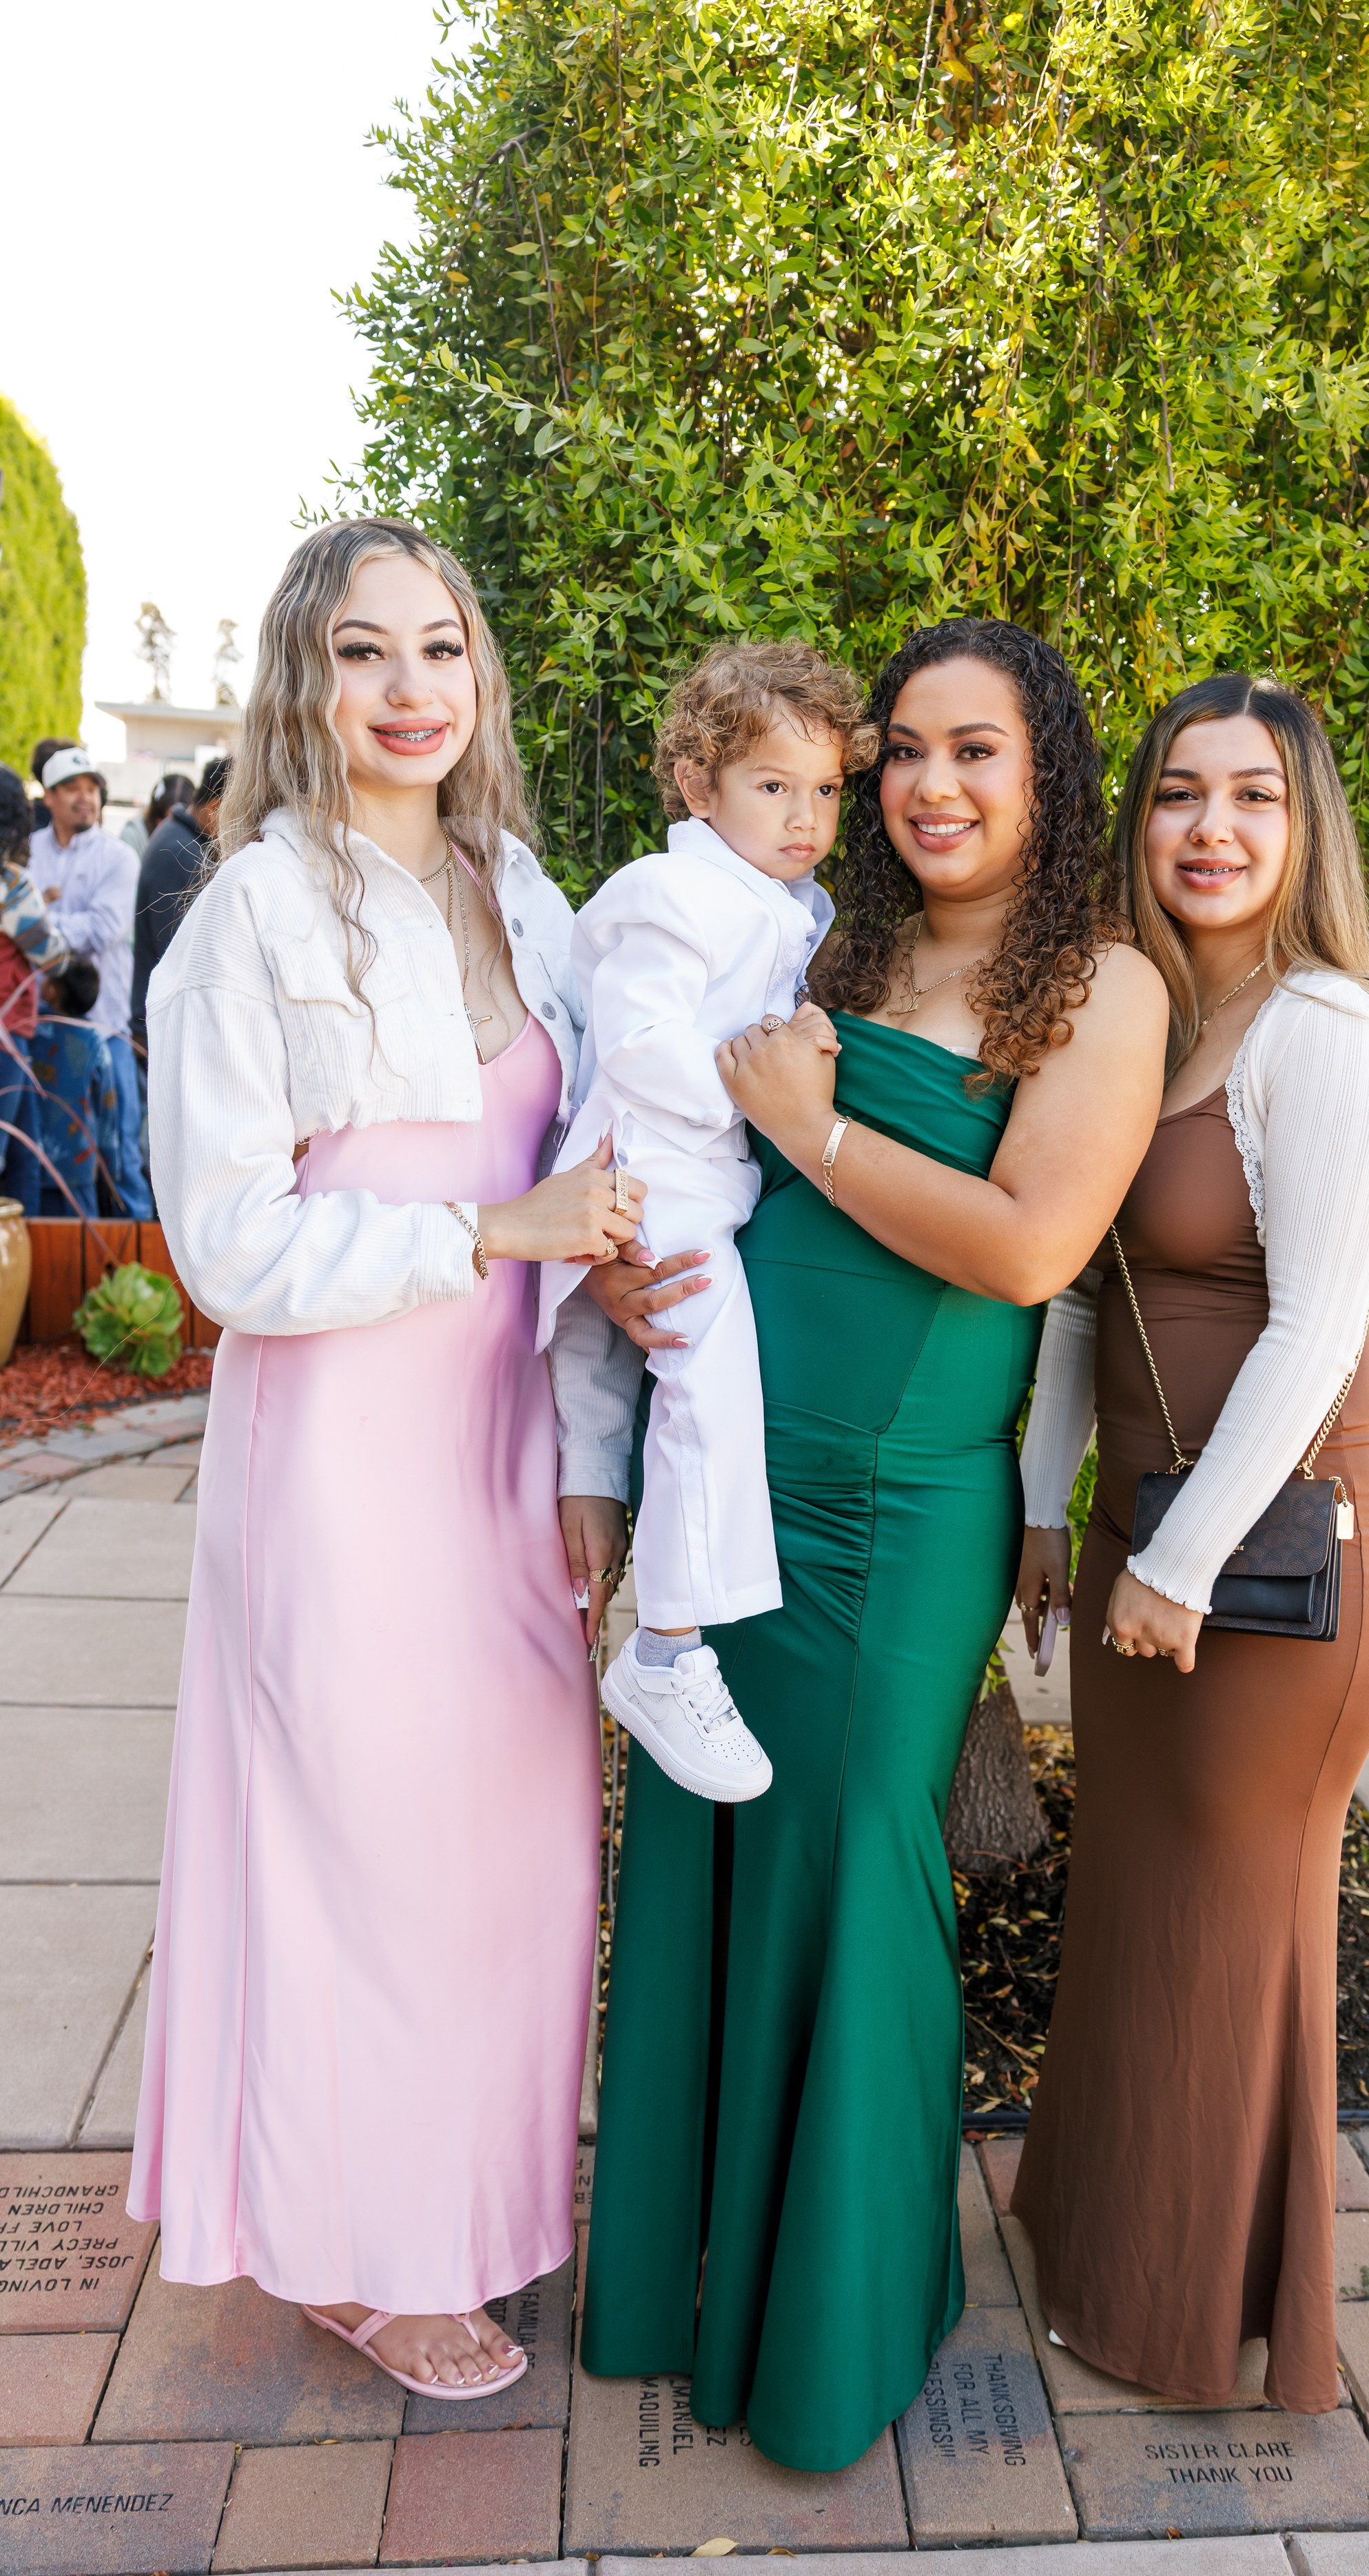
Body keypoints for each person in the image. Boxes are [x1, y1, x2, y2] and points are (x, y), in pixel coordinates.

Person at [568, 615, 1167, 2472]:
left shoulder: (1100, 984)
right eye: (899, 748)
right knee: (714, 1842)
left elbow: (1021, 1252)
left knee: (858, 1862)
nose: (924, 782)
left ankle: (829, 2327)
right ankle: (701, 2288)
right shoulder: (831, 934)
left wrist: (810, 1125)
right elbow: (683, 1133)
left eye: (971, 750)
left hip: (901, 1510)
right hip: (727, 1475)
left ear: (1042, 776)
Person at [130, 515, 641, 2402]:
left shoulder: (524, 890)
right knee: (357, 1849)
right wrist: (490, 1237)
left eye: (439, 648)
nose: (409, 689)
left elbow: (609, 1137)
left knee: (510, 1850)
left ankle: (472, 2208)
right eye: (365, 652)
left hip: (504, 1449)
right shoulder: (253, 915)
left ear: (479, 678)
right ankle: (358, 2253)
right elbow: (228, 1253)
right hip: (342, 1463)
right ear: (304, 680)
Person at [1010, 671, 1369, 2415]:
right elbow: (1066, 1288)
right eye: (1179, 794)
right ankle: (1097, 2250)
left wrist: (1175, 1566)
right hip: (1144, 1531)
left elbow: (1318, 1323)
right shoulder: (1143, 1018)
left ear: (1301, 825)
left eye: (1251, 796)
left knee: (1227, 1919)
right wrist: (1053, 1507)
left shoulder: (1323, 1029)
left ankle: (1185, 2321)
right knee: (1138, 1898)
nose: (1209, 828)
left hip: (1282, 1566)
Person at [540, 642, 876, 1802]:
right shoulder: (672, 892)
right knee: (707, 1384)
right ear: (696, 785)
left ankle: (665, 1626)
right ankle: (669, 1649)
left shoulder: (775, 901)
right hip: (652, 1173)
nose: (805, 815)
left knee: (677, 1380)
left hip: (696, 1176)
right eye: (773, 786)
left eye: (825, 789)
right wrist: (770, 1082)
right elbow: (637, 1047)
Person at [29, 745, 154, 1218]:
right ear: (49, 798)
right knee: (45, 1159)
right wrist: (51, 920)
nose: (85, 798)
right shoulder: (29, 848)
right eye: (72, 789)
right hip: (34, 1030)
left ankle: (140, 1272)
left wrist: (39, 919)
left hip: (103, 1031)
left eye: (92, 789)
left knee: (119, 1156)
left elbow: (103, 929)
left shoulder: (119, 858)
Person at [0, 765, 69, 1213]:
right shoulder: (11, 884)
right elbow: (51, 955)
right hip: (8, 1036)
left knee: (24, 1159)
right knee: (17, 1158)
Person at [132, 757, 228, 1047]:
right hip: (164, 1030)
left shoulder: (178, 834)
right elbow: (190, 963)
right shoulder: (184, 856)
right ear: (215, 810)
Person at [30, 955, 115, 1221]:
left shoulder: (30, 1032)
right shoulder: (95, 1042)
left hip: (32, 1165)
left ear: (52, 990)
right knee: (81, 1253)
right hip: (80, 1169)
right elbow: (108, 1110)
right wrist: (111, 1168)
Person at [121, 770, 196, 862]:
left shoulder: (194, 846)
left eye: (177, 823)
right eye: (163, 821)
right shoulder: (132, 837)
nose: (169, 828)